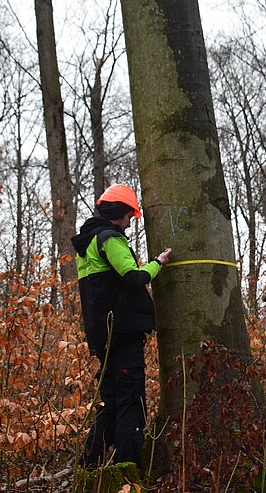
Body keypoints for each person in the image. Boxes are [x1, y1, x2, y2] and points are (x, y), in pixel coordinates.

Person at [71, 183, 172, 467]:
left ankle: (90, 465)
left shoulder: (88, 243)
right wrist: (158, 263)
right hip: (123, 333)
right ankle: (128, 468)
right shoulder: (109, 239)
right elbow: (134, 277)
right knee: (131, 401)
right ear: (119, 212)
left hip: (104, 335)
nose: (130, 221)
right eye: (129, 215)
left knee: (112, 402)